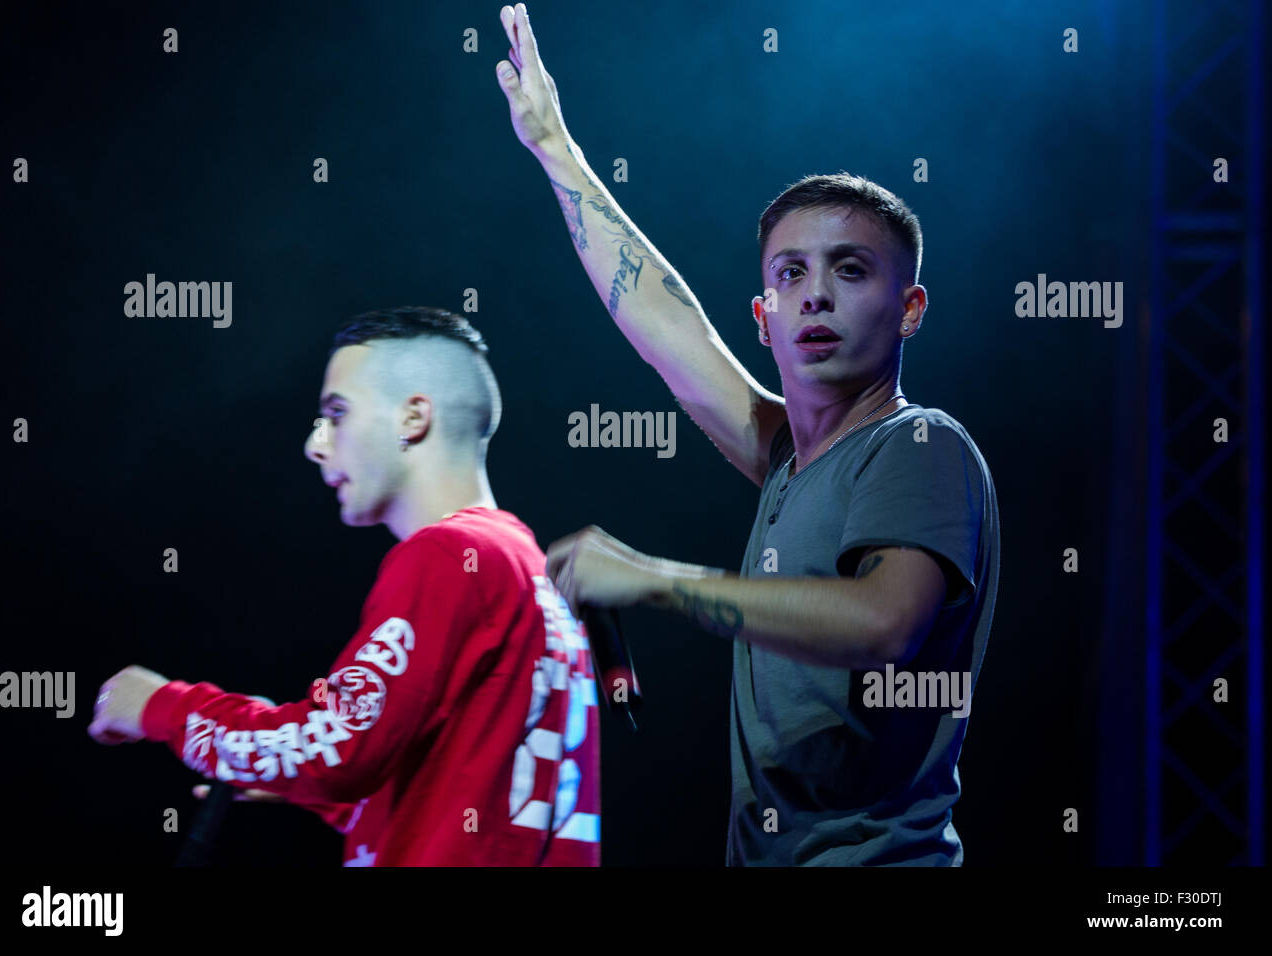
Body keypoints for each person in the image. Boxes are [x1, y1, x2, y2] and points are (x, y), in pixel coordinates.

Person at [494, 3, 999, 865]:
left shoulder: (923, 447)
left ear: (910, 308)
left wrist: (654, 581)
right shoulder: (788, 460)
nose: (817, 295)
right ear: (763, 317)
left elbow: (884, 623)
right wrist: (554, 148)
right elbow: (662, 319)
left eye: (851, 269)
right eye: (791, 274)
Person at [89, 306, 601, 866]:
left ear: (412, 418)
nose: (315, 444)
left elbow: (337, 751)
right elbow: (484, 793)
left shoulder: (450, 555)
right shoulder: (523, 563)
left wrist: (160, 706)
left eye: (337, 414)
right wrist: (304, 782)